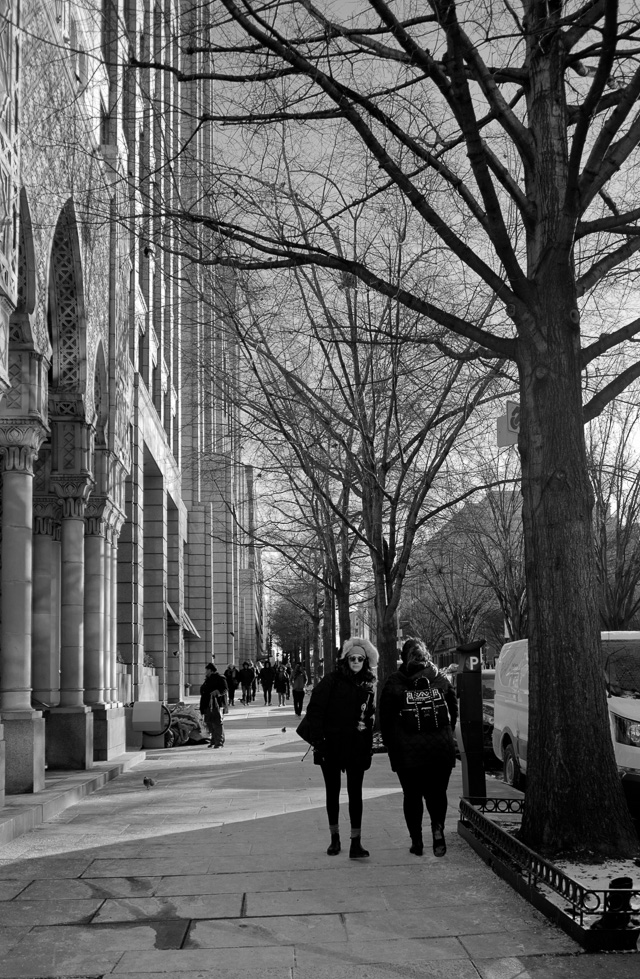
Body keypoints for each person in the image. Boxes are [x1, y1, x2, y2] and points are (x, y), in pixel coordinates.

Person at [298, 637, 377, 859]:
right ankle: (334, 839)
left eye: (360, 658)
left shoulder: (368, 685)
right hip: (330, 746)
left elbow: (368, 719)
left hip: (356, 747)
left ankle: (356, 842)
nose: (356, 661)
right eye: (352, 658)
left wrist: (368, 748)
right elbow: (315, 712)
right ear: (346, 659)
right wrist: (319, 743)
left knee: (356, 794)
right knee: (332, 793)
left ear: (366, 660)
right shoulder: (331, 680)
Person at [379, 637, 458, 857]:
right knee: (437, 793)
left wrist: (391, 744)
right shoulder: (440, 679)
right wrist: (445, 734)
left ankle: (417, 842)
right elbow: (453, 710)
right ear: (426, 656)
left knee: (412, 796)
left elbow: (384, 718)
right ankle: (437, 828)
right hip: (440, 749)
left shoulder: (395, 681)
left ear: (403, 658)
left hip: (407, 752)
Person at [199, 662, 229, 748]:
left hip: (216, 704)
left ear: (211, 670)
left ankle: (219, 742)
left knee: (217, 723)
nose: (205, 672)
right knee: (209, 723)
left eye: (207, 670)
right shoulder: (208, 679)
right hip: (207, 703)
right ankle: (213, 739)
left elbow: (225, 689)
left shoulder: (220, 678)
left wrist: (217, 692)